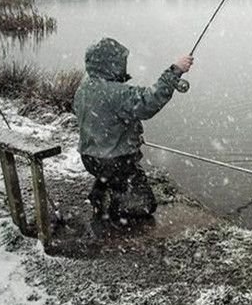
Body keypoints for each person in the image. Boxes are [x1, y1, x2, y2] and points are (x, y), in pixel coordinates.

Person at [73, 37, 193, 225]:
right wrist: (175, 71)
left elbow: (98, 119)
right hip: (115, 163)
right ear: (110, 64)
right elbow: (148, 102)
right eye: (120, 62)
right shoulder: (117, 92)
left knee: (109, 170)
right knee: (145, 206)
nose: (124, 66)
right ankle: (116, 213)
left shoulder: (84, 88)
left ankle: (100, 193)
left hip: (89, 158)